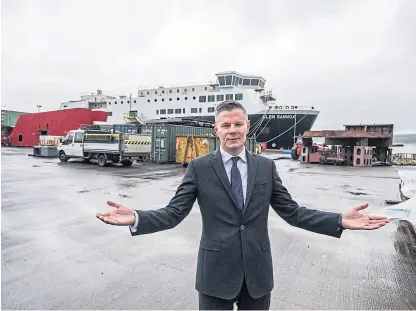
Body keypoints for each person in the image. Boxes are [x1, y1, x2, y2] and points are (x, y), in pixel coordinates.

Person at [96, 100, 390, 310]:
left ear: (247, 127)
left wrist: (339, 220)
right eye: (226, 125)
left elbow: (292, 212)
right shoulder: (198, 167)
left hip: (258, 276)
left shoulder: (266, 167)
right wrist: (136, 217)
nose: (233, 130)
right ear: (216, 130)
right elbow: (174, 214)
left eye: (238, 124)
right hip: (214, 276)